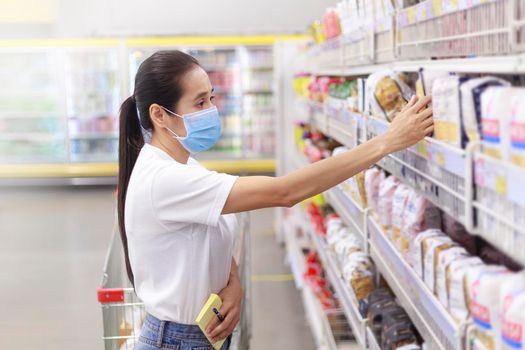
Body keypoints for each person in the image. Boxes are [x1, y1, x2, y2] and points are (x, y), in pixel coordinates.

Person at [117, 50, 433, 350]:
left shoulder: (183, 166)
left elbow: (205, 236)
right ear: (160, 115)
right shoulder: (166, 179)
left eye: (211, 97)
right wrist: (385, 143)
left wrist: (233, 283)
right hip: (177, 341)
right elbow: (285, 192)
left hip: (198, 336)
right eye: (200, 103)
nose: (212, 110)